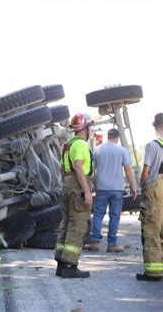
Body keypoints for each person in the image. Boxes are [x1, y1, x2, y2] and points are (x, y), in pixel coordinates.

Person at [55, 113, 94, 278]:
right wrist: (86, 191)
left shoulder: (67, 144)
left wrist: (68, 184)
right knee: (77, 226)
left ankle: (61, 264)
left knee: (66, 223)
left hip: (67, 184)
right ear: (85, 128)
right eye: (90, 127)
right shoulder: (81, 145)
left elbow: (63, 169)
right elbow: (78, 167)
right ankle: (70, 265)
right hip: (78, 184)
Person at [86, 128, 137, 252]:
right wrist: (133, 187)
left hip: (102, 188)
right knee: (114, 216)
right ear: (117, 137)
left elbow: (94, 170)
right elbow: (128, 169)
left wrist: (95, 185)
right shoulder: (122, 150)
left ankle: (95, 242)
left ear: (108, 136)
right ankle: (112, 244)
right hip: (117, 189)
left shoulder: (98, 150)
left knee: (98, 214)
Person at [136, 113, 163, 281]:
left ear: (155, 126)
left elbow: (146, 171)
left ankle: (153, 272)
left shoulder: (153, 146)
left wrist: (142, 182)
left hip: (154, 190)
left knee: (151, 230)